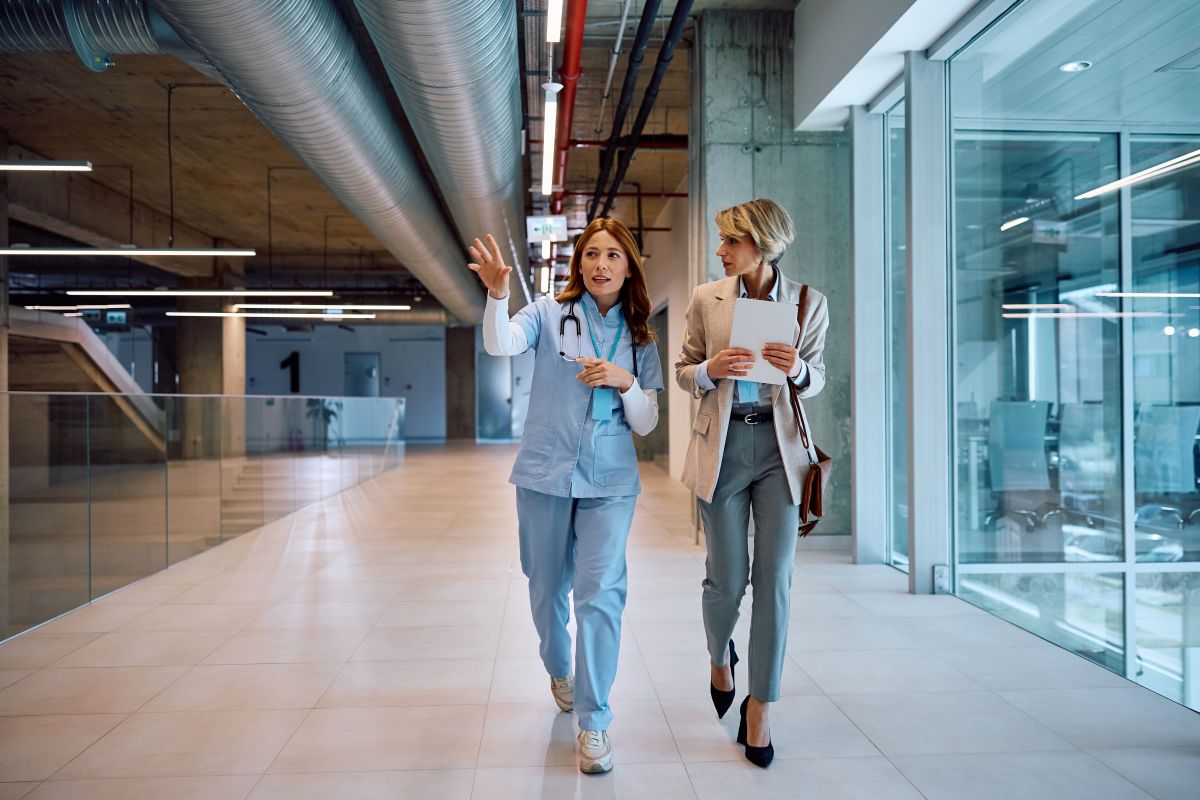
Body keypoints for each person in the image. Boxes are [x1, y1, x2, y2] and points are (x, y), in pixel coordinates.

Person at [468, 217, 664, 775]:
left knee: (600, 594)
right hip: (545, 474)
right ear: (578, 262)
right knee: (546, 585)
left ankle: (595, 721)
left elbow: (647, 422)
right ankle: (559, 666)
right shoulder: (549, 314)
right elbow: (499, 343)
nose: (601, 264)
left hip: (610, 481)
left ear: (629, 267)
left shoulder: (642, 334)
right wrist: (498, 295)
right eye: (591, 254)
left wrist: (624, 381)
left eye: (613, 256)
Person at [674, 198, 828, 769]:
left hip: (780, 453)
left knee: (776, 582)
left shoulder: (809, 302)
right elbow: (684, 369)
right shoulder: (705, 299)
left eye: (730, 242)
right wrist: (713, 369)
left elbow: (816, 378)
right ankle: (720, 656)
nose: (720, 251)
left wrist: (797, 369)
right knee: (726, 580)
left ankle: (759, 706)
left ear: (761, 243)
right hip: (723, 446)